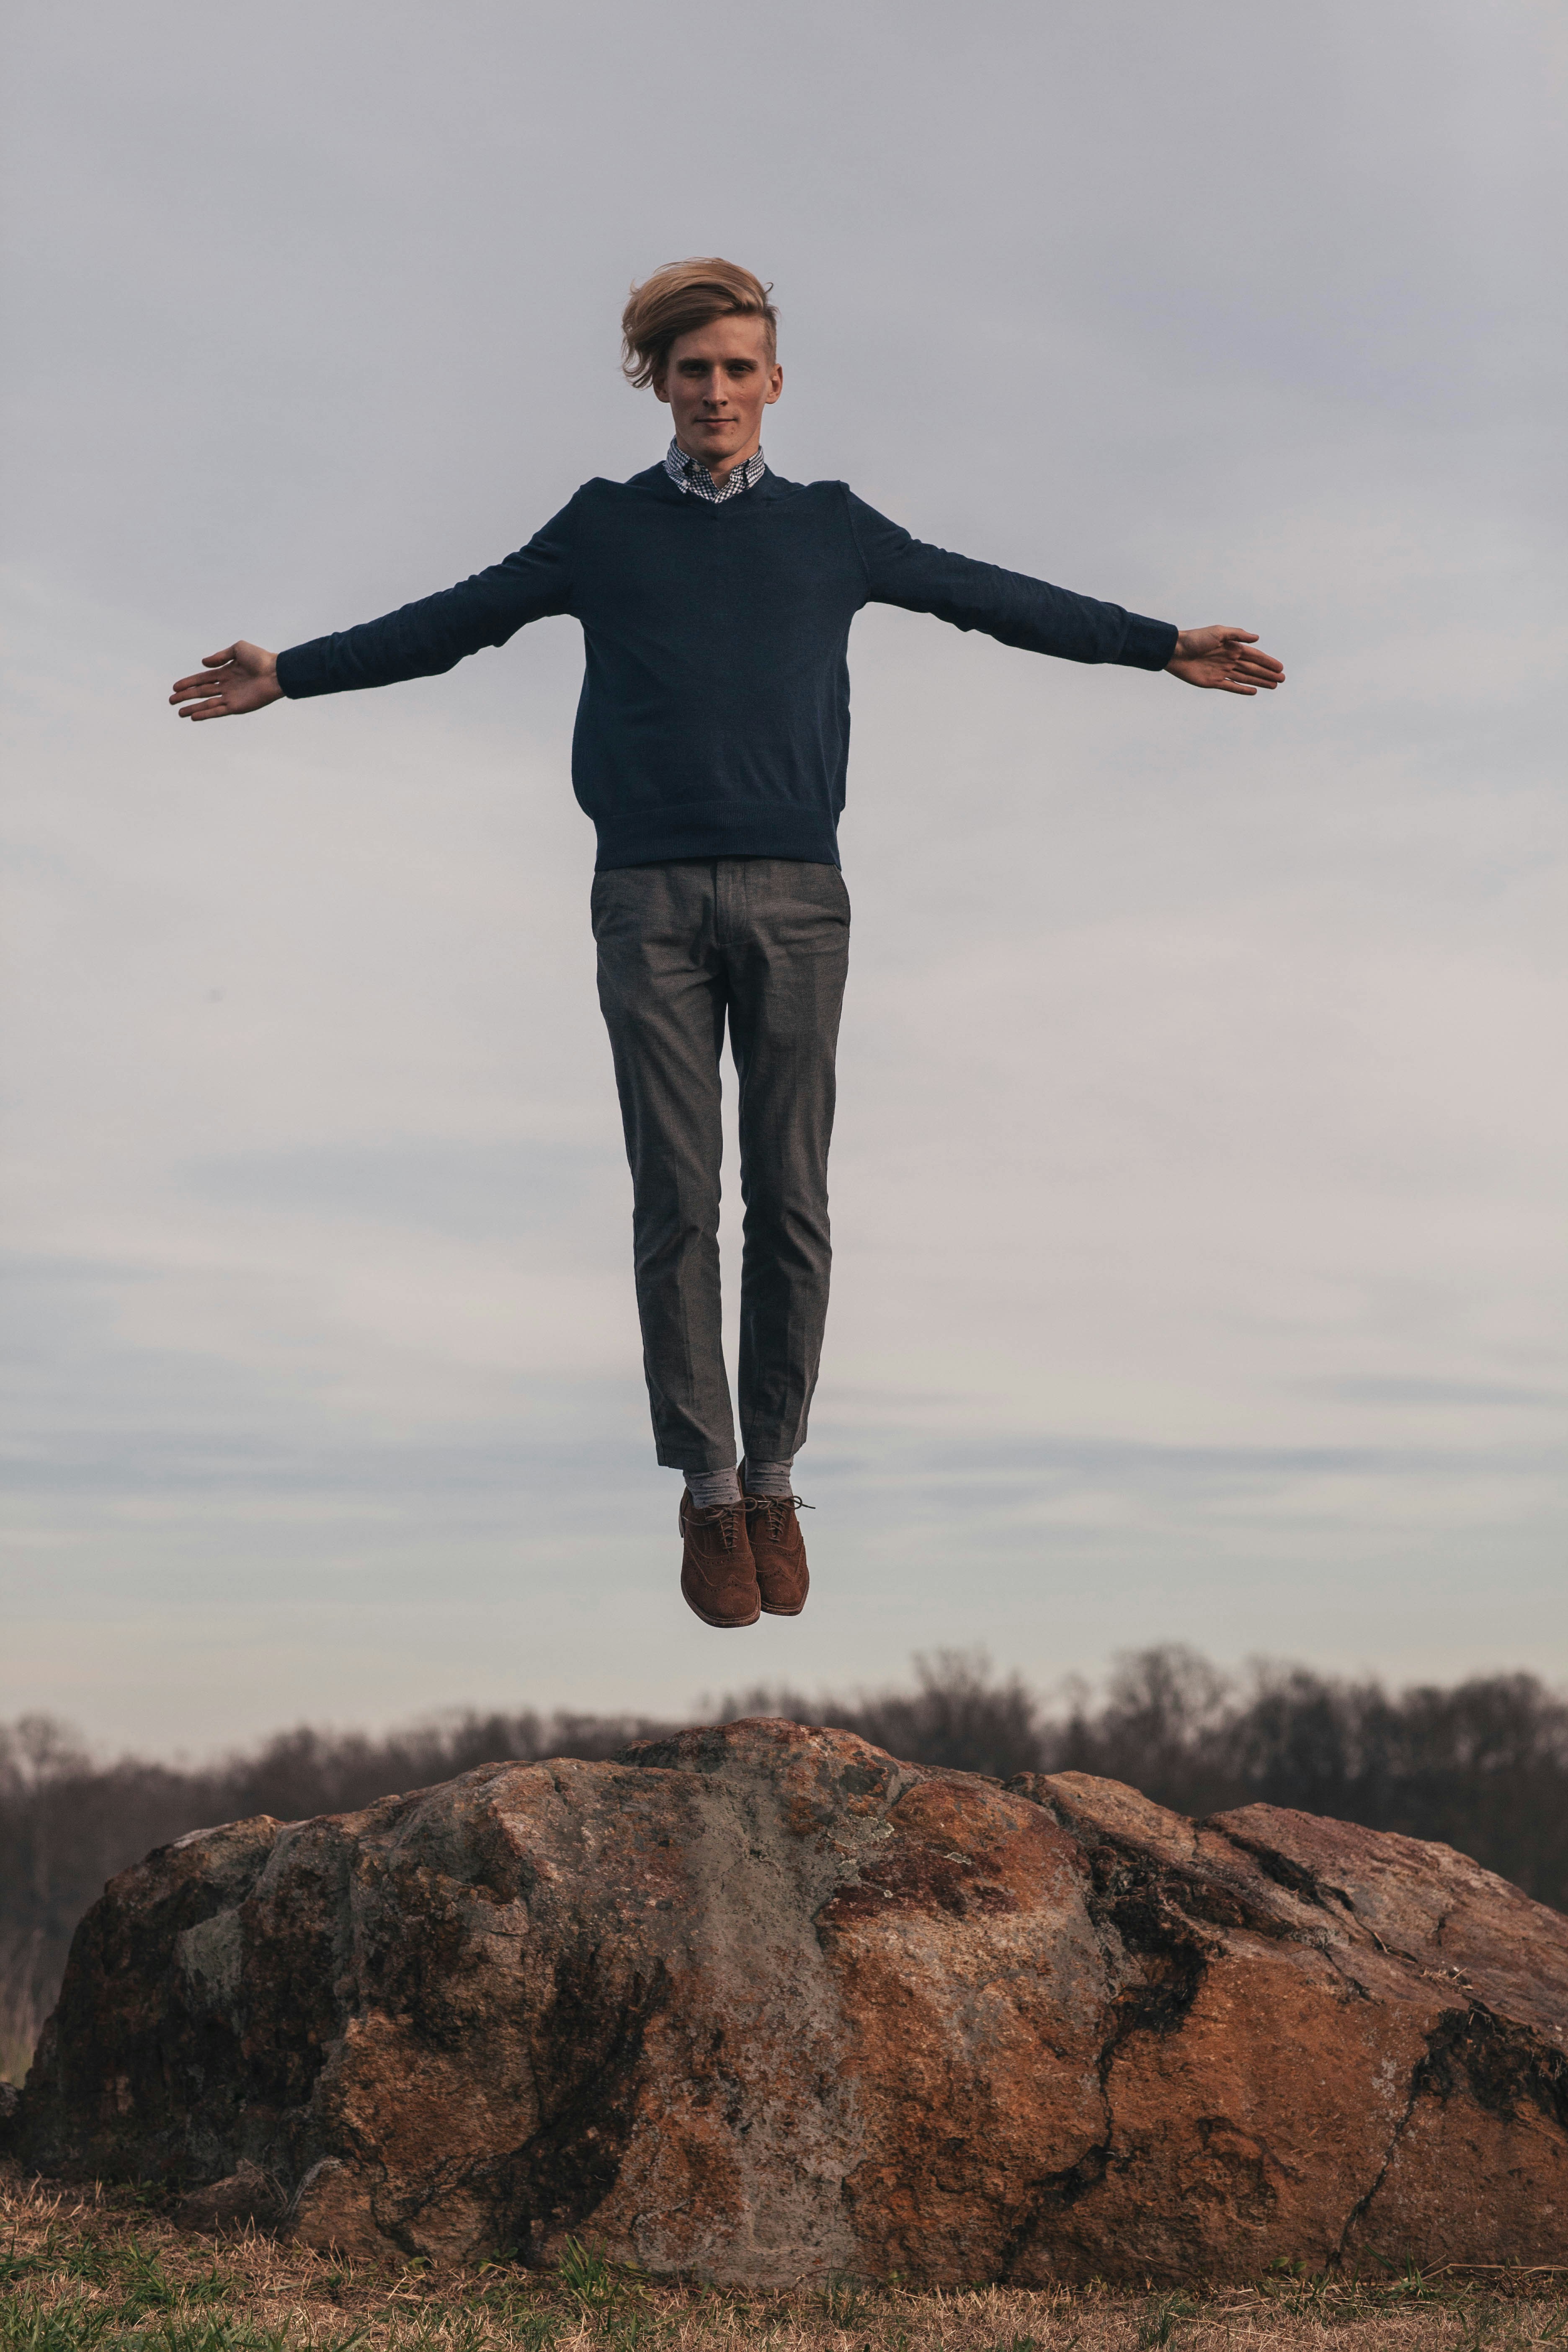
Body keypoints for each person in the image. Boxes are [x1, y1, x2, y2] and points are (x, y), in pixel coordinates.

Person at [170, 257, 1284, 1633]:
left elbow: (986, 593)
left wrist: (1154, 642)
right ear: (660, 381)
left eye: (737, 369)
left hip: (798, 897)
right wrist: (295, 669)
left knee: (793, 1199)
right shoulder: (601, 528)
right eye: (690, 370)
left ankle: (776, 1477)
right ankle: (706, 1489)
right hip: (646, 899)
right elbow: (451, 623)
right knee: (677, 1200)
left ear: (772, 383)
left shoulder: (832, 527)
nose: (714, 393)